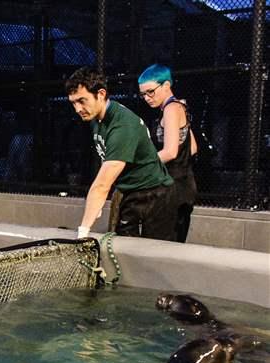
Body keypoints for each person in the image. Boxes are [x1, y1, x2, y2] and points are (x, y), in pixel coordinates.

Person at [65, 67, 175, 240]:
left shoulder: (122, 126)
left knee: (151, 256)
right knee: (121, 248)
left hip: (155, 194)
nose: (77, 108)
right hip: (129, 191)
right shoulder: (96, 119)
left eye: (82, 100)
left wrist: (83, 231)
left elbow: (102, 185)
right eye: (73, 103)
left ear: (101, 94)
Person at [138, 64, 199, 242]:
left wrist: (139, 165)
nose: (147, 98)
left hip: (171, 189)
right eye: (143, 94)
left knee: (155, 246)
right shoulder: (180, 106)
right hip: (185, 186)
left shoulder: (171, 109)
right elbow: (193, 147)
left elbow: (170, 152)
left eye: (151, 91)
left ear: (166, 85)